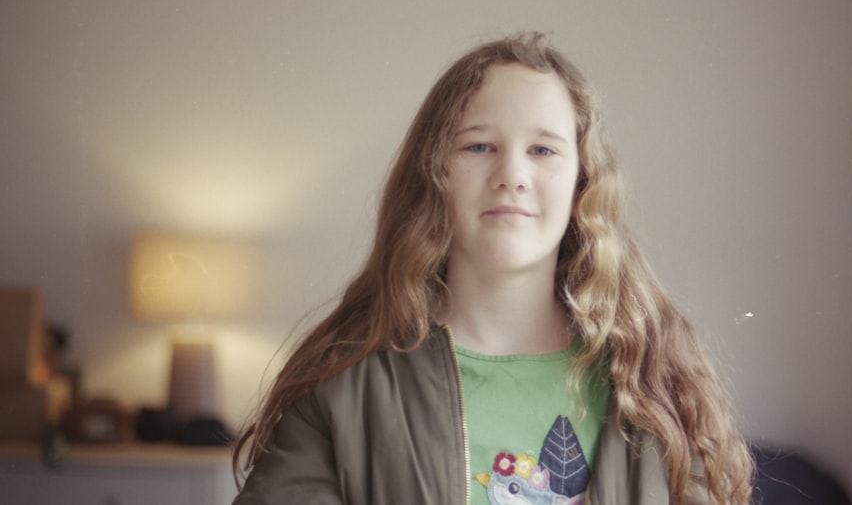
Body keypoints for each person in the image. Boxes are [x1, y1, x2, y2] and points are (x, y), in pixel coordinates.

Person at [232, 32, 753, 504]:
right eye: (479, 146)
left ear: (583, 182)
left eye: (544, 149)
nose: (512, 174)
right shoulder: (345, 384)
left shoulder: (656, 378)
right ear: (435, 174)